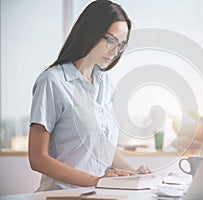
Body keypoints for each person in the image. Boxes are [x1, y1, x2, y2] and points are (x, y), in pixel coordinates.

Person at [28, 0, 150, 192]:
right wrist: (97, 180)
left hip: (97, 194)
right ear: (89, 32)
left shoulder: (105, 83)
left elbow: (103, 148)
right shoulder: (53, 81)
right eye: (110, 40)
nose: (114, 51)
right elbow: (38, 159)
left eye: (120, 45)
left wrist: (133, 174)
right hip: (60, 195)